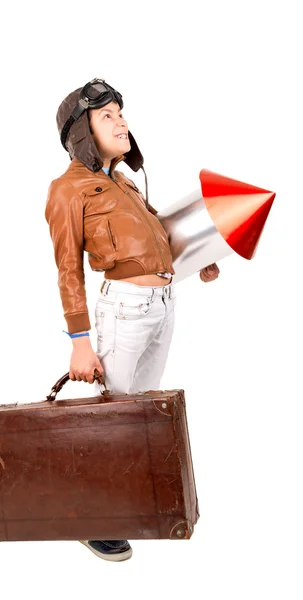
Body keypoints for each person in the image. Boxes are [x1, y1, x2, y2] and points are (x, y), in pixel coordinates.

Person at [45, 78, 219, 562]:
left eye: (121, 113)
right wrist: (81, 341)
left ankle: (121, 504)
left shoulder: (123, 182)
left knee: (137, 416)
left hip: (162, 305)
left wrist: (193, 258)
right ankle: (91, 517)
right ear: (81, 130)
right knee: (113, 420)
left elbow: (157, 234)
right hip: (122, 309)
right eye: (107, 116)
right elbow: (66, 269)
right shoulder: (67, 191)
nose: (121, 121)